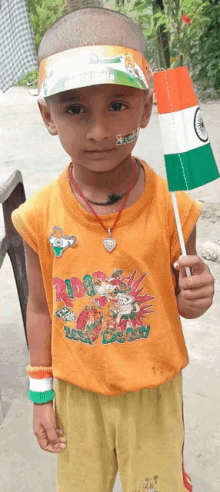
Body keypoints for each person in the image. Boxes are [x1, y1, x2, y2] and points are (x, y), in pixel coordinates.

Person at [11, 7, 215, 492]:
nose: (99, 131)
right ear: (47, 117)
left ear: (146, 109)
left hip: (154, 392)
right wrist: (42, 393)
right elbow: (40, 309)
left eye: (118, 105)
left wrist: (196, 296)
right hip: (77, 397)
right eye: (75, 109)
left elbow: (180, 299)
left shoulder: (175, 209)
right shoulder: (37, 216)